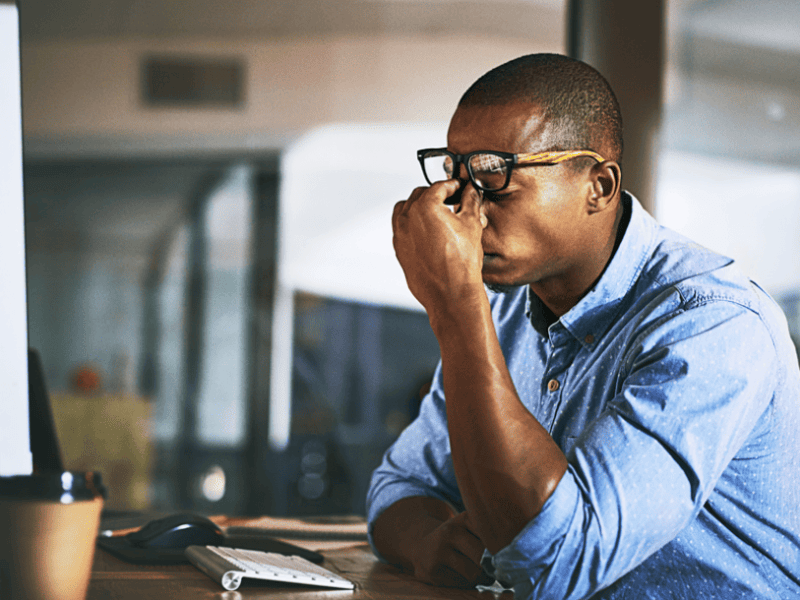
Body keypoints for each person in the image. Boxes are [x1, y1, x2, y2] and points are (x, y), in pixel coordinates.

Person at [366, 53, 800, 600]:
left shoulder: (714, 325)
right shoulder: (502, 315)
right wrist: (430, 542)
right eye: (456, 176)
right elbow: (399, 486)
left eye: (495, 176)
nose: (464, 212)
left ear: (598, 185)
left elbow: (558, 562)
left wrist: (455, 304)